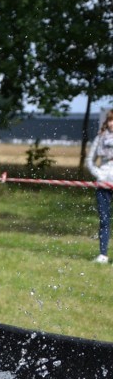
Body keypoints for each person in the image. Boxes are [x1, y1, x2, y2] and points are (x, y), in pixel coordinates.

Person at [87, 109, 113, 264]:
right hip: (104, 184)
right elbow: (90, 160)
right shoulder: (100, 137)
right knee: (104, 220)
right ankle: (103, 254)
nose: (112, 123)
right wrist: (98, 174)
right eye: (110, 120)